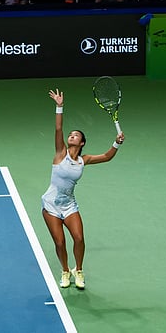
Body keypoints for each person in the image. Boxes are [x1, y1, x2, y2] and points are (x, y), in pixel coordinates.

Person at [43, 89, 125, 290]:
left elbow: (106, 157)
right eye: (71, 135)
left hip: (69, 205)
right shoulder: (60, 153)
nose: (71, 136)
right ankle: (65, 271)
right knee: (60, 243)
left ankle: (78, 270)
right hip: (51, 205)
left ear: (82, 143)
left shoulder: (83, 160)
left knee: (79, 238)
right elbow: (58, 129)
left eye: (76, 135)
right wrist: (59, 106)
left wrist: (116, 143)